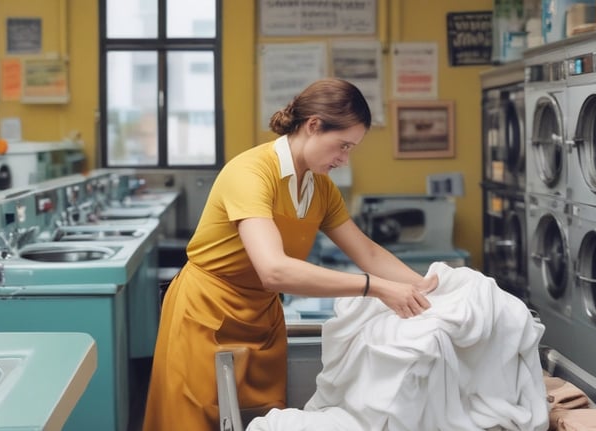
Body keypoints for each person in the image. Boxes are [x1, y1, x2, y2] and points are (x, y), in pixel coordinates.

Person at [142, 77, 438, 430]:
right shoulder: (251, 173)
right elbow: (273, 270)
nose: (344, 159)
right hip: (206, 314)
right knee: (194, 420)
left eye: (351, 149)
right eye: (342, 146)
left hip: (263, 318)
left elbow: (369, 253)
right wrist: (374, 287)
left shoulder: (320, 188)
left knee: (265, 422)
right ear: (313, 126)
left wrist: (428, 289)